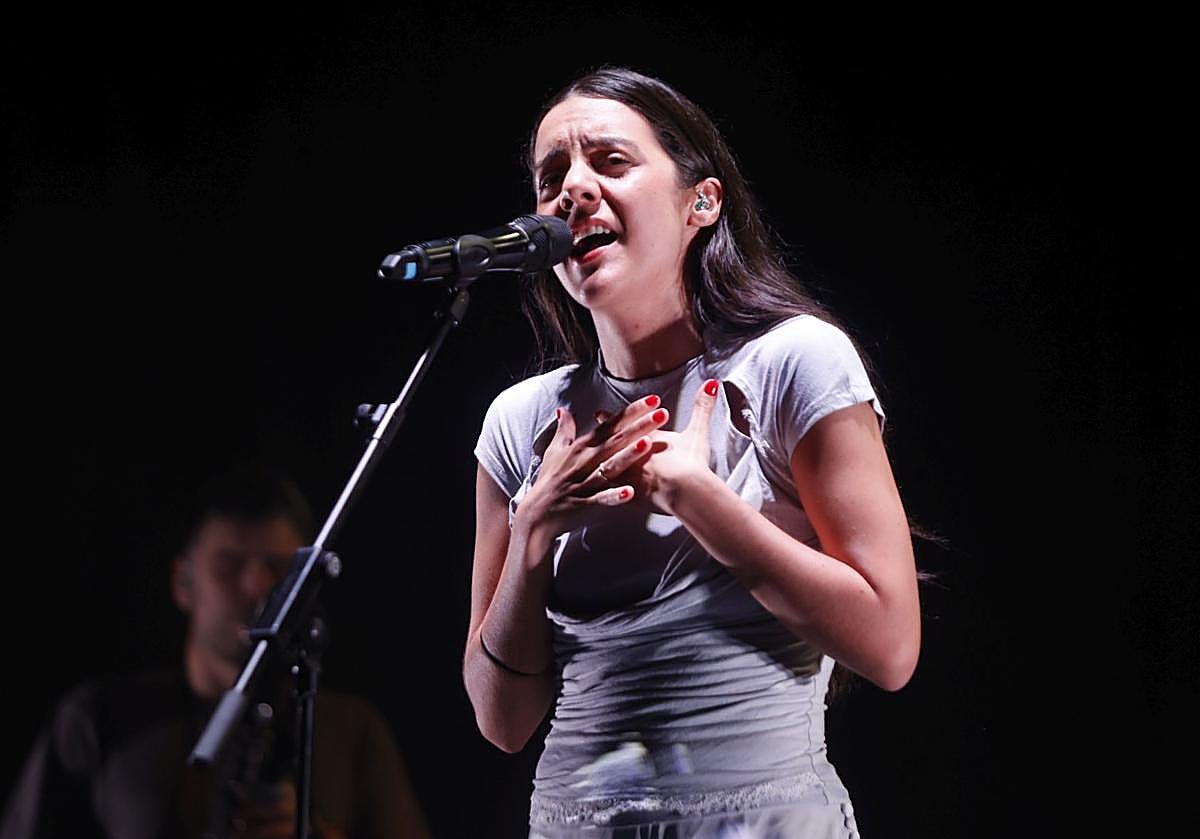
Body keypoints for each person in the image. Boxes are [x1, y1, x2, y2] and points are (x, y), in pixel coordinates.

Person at [463, 67, 921, 837]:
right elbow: (501, 722)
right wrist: (533, 530)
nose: (572, 188)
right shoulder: (520, 422)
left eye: (610, 161)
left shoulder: (794, 363)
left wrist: (700, 498)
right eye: (551, 176)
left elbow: (891, 646)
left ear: (700, 203)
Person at [2, 465, 431, 839]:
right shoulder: (98, 718)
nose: (256, 588)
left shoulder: (352, 730)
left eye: (278, 569)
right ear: (183, 583)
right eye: (229, 567)